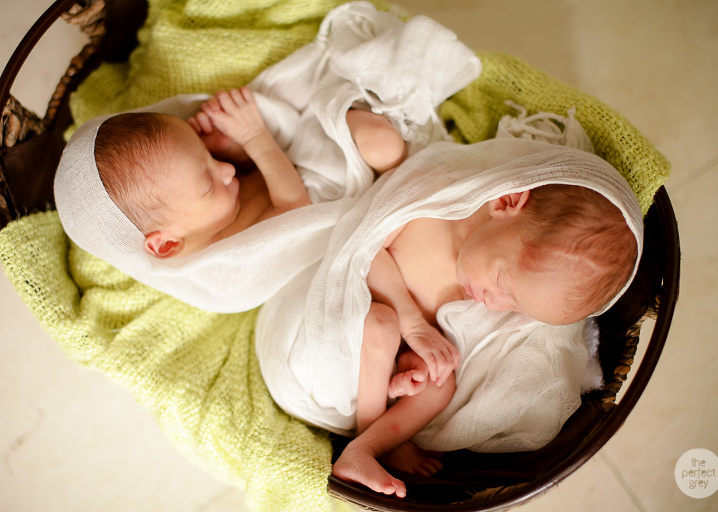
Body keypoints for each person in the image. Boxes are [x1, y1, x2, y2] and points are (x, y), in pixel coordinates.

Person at [332, 182, 638, 498]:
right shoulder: (430, 212)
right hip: (349, 311)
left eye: (515, 306)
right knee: (382, 326)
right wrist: (410, 321)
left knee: (440, 381)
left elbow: (425, 339)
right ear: (505, 202)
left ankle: (372, 444)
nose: (494, 303)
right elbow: (363, 247)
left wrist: (415, 370)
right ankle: (368, 442)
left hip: (381, 357)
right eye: (501, 283)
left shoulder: (475, 280)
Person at [93, 87, 408, 259]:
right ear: (166, 245)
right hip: (329, 187)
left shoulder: (195, 212)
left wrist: (233, 152)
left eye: (209, 158)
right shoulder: (226, 253)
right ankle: (398, 174)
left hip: (302, 160)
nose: (226, 171)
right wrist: (253, 137)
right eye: (206, 184)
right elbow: (293, 208)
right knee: (384, 146)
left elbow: (255, 182)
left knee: (377, 141)